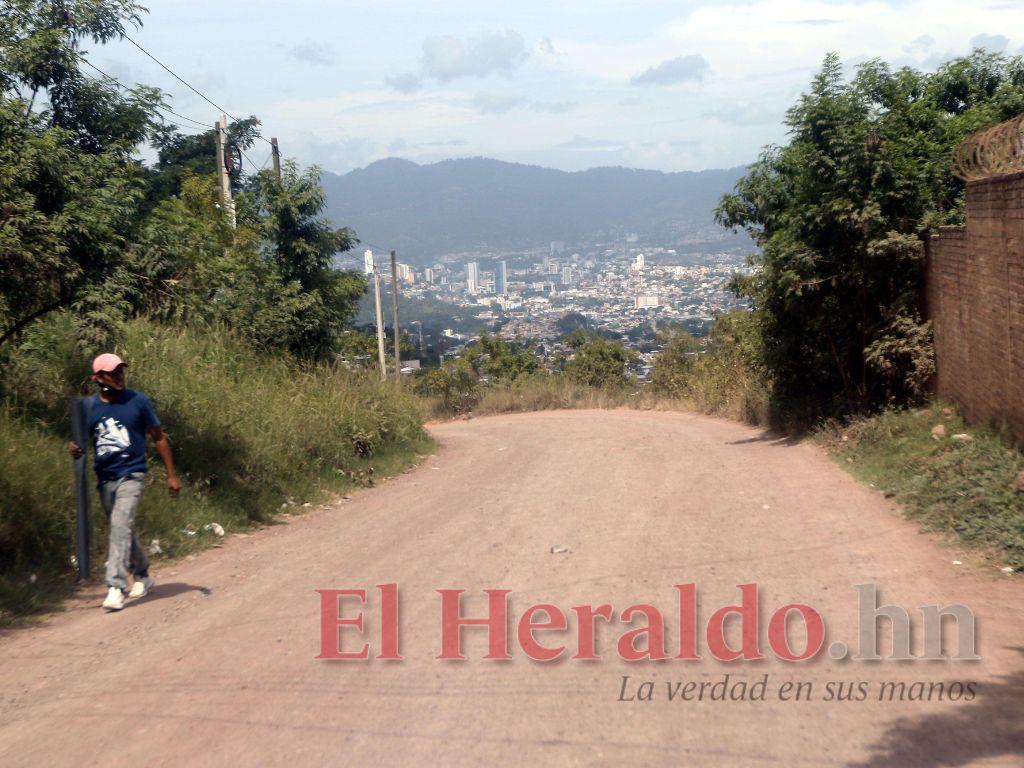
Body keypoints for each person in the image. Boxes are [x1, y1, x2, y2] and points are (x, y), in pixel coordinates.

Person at [68, 353, 181, 611]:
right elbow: (81, 443)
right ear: (98, 378)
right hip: (105, 478)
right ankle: (142, 573)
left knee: (120, 524)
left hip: (132, 475)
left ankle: (115, 587)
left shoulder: (138, 401)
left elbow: (158, 437)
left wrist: (171, 475)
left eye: (121, 371)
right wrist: (75, 449)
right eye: (113, 372)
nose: (119, 376)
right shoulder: (89, 407)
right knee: (123, 529)